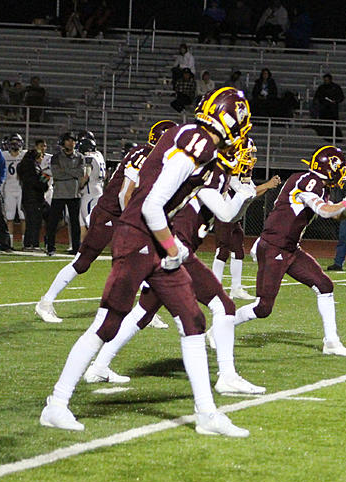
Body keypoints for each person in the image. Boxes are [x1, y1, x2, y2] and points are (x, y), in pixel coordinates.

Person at [39, 86, 253, 437]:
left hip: (154, 237)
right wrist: (172, 248)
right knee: (108, 324)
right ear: (232, 120)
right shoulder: (197, 144)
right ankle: (57, 404)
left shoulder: (193, 138)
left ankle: (207, 415)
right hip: (139, 235)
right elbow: (153, 205)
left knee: (193, 319)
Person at [85, 139, 264, 395]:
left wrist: (243, 198)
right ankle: (227, 375)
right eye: (245, 151)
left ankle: (98, 366)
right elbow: (224, 214)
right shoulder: (210, 172)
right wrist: (241, 198)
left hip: (171, 247)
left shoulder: (221, 175)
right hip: (176, 248)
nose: (248, 158)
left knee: (144, 311)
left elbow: (229, 214)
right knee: (223, 305)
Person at [36, 121, 179, 324]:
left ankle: (145, 310)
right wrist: (134, 222)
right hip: (110, 214)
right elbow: (124, 194)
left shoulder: (154, 157)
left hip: (121, 214)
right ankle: (45, 302)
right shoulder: (144, 156)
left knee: (142, 261)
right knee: (83, 262)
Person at [232, 145, 346, 357]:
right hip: (274, 247)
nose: (343, 173)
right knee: (263, 308)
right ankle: (219, 329)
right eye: (340, 167)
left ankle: (331, 342)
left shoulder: (319, 184)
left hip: (290, 248)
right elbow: (324, 211)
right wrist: (344, 203)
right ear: (330, 168)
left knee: (324, 285)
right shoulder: (308, 181)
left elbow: (335, 215)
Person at [212, 142, 281, 299]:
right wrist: (267, 185)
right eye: (248, 154)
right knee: (222, 251)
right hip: (224, 216)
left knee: (238, 251)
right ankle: (215, 288)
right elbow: (246, 192)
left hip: (235, 218)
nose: (251, 158)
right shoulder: (228, 174)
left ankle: (236, 288)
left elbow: (252, 193)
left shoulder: (243, 175)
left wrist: (267, 187)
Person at [49, 132, 86, 255]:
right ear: (63, 142)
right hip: (59, 193)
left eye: (73, 141)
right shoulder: (56, 157)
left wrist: (65, 170)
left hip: (74, 194)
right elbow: (56, 174)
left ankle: (76, 248)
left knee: (75, 223)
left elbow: (80, 173)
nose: (71, 143)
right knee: (53, 222)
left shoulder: (80, 157)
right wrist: (72, 172)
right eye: (69, 140)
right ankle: (50, 247)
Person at [20, 140, 50, 251]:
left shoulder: (25, 167)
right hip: (34, 198)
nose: (42, 158)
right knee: (35, 222)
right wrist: (45, 179)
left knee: (31, 221)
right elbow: (38, 184)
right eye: (41, 156)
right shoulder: (34, 168)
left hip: (29, 198)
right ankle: (32, 244)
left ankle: (28, 244)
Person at [77, 132, 105, 242]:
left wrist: (79, 186)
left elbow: (86, 175)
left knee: (90, 223)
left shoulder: (88, 158)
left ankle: (92, 249)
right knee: (82, 223)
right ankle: (81, 249)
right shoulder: (99, 155)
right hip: (97, 189)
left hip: (90, 193)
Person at [1, 134, 26, 248]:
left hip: (21, 188)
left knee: (23, 217)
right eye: (13, 142)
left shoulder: (25, 155)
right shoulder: (3, 155)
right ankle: (9, 243)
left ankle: (25, 243)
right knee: (9, 217)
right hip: (9, 188)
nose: (15, 144)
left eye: (17, 142)